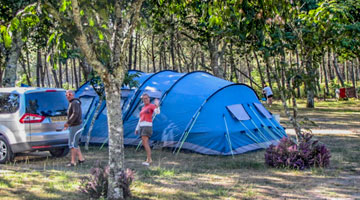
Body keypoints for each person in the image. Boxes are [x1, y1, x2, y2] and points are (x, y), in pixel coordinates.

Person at [135, 93, 160, 166]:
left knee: (145, 143)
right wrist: (137, 128)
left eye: (146, 98)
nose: (145, 100)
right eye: (143, 99)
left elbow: (157, 112)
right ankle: (149, 159)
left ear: (149, 99)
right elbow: (140, 119)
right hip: (142, 126)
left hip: (147, 126)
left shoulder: (152, 106)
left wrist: (157, 105)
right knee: (144, 143)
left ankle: (149, 160)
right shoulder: (143, 108)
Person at [64, 90, 85, 167]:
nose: (68, 96)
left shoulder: (74, 103)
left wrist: (68, 123)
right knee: (75, 142)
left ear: (73, 95)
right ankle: (81, 159)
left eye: (69, 94)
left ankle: (73, 162)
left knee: (72, 144)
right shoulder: (73, 103)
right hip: (74, 125)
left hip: (75, 126)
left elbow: (75, 114)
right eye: (66, 95)